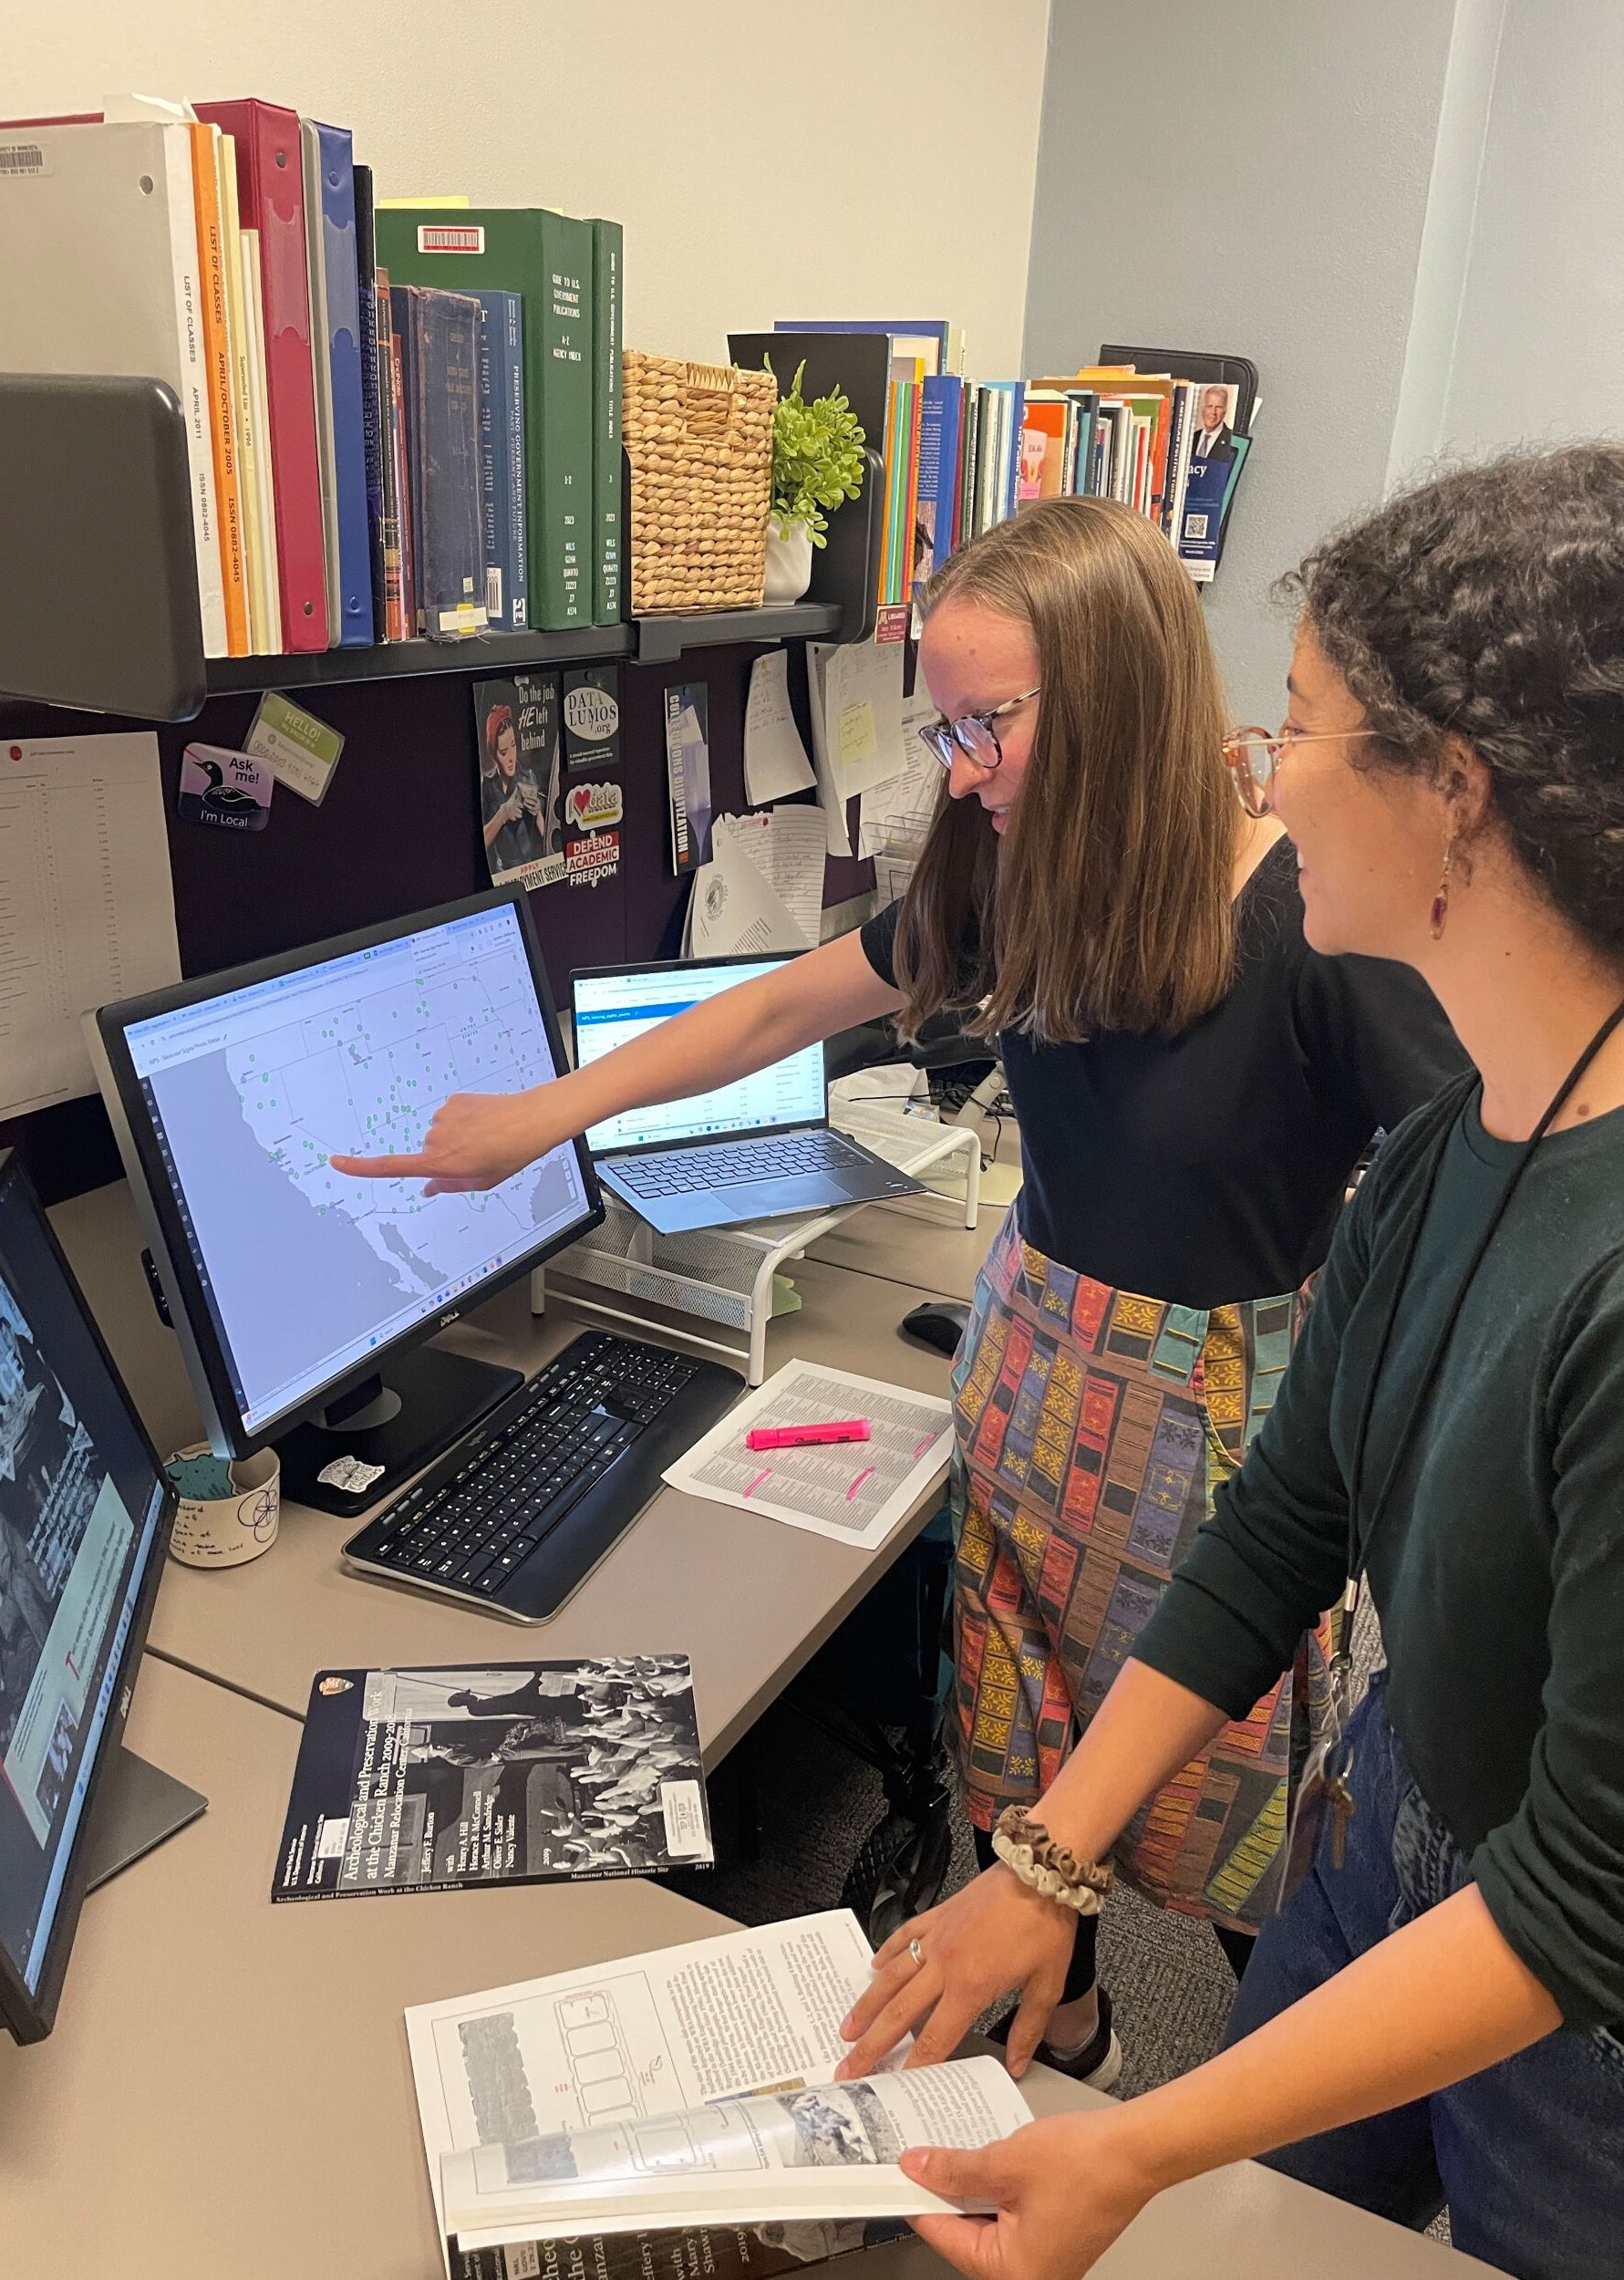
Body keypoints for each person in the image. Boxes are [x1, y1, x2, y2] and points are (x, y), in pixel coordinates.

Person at [333, 495, 1459, 2083]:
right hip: (1031, 1377)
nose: (960, 769)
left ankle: (1255, 2128)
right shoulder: (1016, 865)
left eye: (985, 725)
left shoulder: (1310, 921)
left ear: (1120, 697)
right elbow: (785, 1002)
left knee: (1224, 1831)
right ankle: (1061, 2033)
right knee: (1017, 1779)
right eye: (945, 728)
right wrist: (545, 1115)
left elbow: (1484, 1180)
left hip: (1209, 1452)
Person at [835, 444, 1624, 2280]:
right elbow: (1284, 1524)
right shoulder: (1455, 1148)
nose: (1259, 775)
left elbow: (1579, 1896)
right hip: (1397, 1809)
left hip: (1568, 1978)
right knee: (1258, 2235)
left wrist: (1133, 2140)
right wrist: (1043, 1866)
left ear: (1454, 795)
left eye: (1295, 725)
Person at [480, 703, 547, 876]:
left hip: (531, 869)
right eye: (503, 752)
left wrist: (538, 811)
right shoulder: (487, 785)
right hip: (502, 874)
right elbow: (482, 841)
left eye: (513, 745)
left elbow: (547, 837)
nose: (511, 757)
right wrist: (502, 814)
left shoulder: (528, 776)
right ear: (494, 754)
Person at [1192, 383, 1234, 459]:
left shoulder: (1231, 439)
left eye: (1218, 407)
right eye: (1209, 406)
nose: (1213, 412)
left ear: (1225, 411)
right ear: (1203, 409)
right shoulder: (1192, 437)